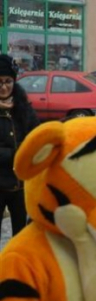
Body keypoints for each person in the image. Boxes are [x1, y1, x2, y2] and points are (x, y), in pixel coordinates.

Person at [0, 53, 38, 239]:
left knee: (21, 237)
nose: (4, 87)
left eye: (8, 81)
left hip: (20, 185)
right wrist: (17, 153)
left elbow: (35, 137)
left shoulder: (23, 107)